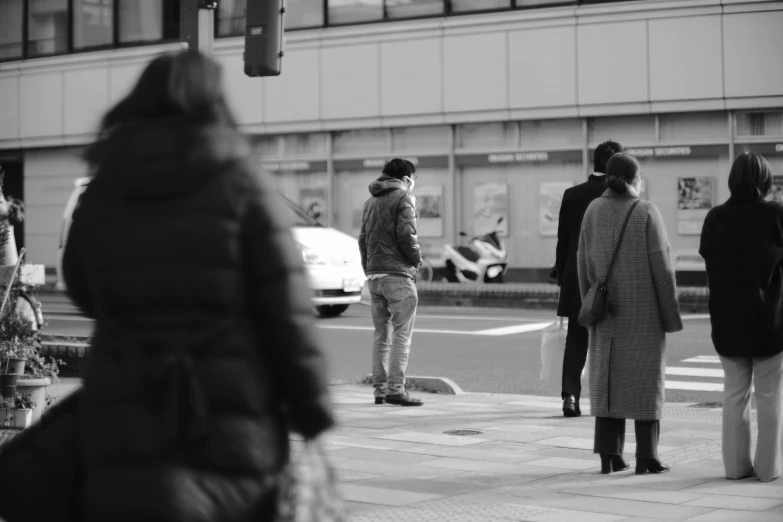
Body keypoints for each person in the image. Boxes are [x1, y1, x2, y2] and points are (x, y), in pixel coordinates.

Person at [0, 51, 335, 522]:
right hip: (229, 406)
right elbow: (286, 311)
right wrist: (312, 412)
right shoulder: (242, 184)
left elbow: (81, 287)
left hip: (124, 397)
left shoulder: (103, 190)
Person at [578, 153, 683, 475]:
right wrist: (670, 317)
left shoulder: (593, 210)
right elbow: (662, 269)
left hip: (605, 314)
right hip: (644, 315)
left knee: (608, 383)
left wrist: (590, 305)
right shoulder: (646, 211)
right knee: (645, 385)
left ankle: (609, 455)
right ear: (636, 178)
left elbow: (582, 263)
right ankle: (647, 457)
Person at [699, 152, 783, 482]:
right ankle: (767, 469)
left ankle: (735, 468)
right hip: (770, 322)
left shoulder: (715, 217)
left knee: (734, 395)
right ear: (765, 180)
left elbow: (710, 263)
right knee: (769, 396)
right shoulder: (776, 214)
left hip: (727, 321)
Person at [555, 140, 623, 417]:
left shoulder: (572, 194)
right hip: (612, 277)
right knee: (611, 339)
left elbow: (563, 243)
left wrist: (563, 279)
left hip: (576, 278)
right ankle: (609, 398)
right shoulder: (619, 196)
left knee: (576, 338)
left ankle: (570, 396)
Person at [358, 158, 423, 407]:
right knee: (401, 336)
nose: (413, 184)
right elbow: (408, 237)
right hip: (397, 276)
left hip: (374, 277)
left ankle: (380, 391)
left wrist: (370, 270)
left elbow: (362, 240)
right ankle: (396, 390)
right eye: (414, 179)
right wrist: (417, 261)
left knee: (380, 337)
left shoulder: (370, 201)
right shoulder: (404, 197)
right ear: (407, 178)